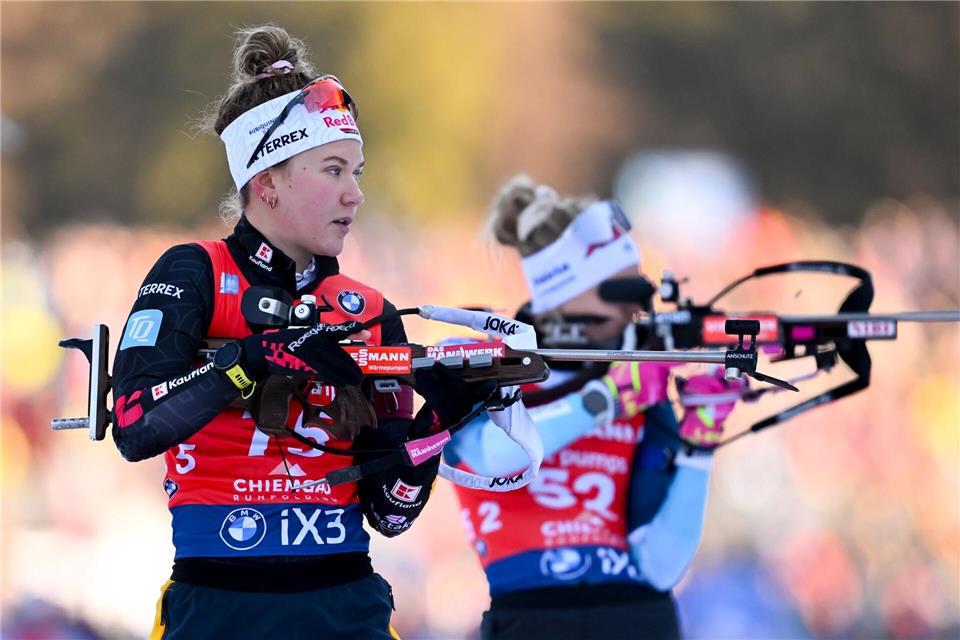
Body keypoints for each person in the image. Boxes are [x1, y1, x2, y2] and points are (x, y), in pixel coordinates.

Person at [111, 25, 489, 639]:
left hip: (344, 607)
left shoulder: (366, 309)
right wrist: (253, 360)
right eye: (334, 170)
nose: (355, 193)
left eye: (357, 171)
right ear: (267, 182)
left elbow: (389, 511)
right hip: (220, 607)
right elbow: (133, 425)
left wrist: (441, 419)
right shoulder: (195, 272)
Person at [443, 175, 744, 639]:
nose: (634, 313)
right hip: (532, 617)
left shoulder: (643, 380)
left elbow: (662, 567)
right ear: (563, 291)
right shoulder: (485, 357)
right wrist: (605, 401)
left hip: (638, 617)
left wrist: (700, 444)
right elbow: (490, 457)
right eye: (617, 295)